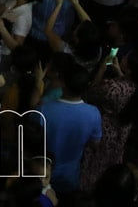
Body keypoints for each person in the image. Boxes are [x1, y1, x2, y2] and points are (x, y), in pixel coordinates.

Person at [34, 62, 102, 197]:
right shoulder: (93, 113)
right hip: (70, 174)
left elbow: (31, 138)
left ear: (63, 83)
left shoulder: (44, 109)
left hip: (43, 172)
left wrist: (37, 84)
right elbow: (95, 144)